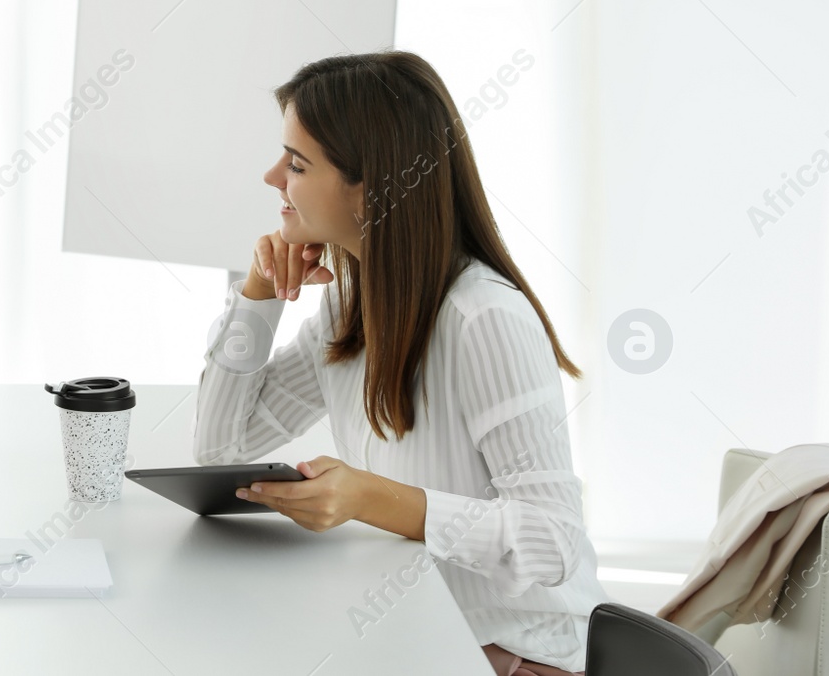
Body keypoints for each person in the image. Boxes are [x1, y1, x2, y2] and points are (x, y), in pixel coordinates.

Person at [192, 51, 608, 676]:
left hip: (517, 657)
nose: (272, 176)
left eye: (297, 163)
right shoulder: (348, 307)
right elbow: (221, 448)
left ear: (369, 187)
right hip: (420, 638)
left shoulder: (484, 318)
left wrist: (372, 498)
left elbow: (552, 542)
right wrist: (257, 297)